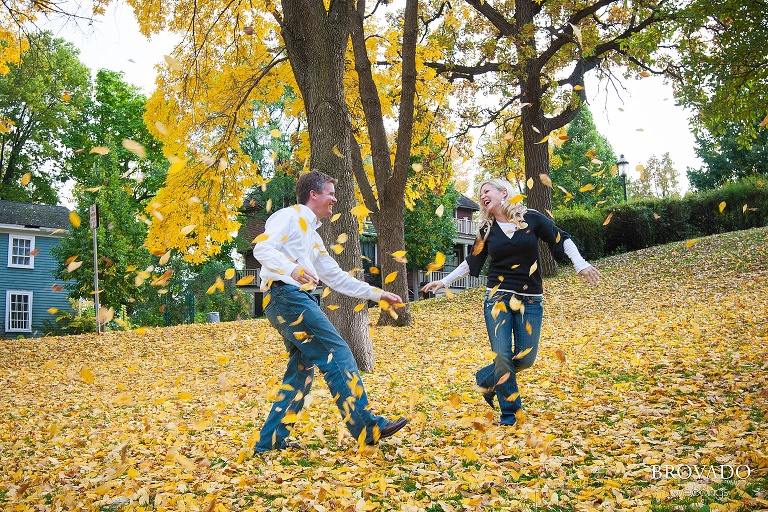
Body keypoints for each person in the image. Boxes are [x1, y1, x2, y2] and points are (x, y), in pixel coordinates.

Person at [422, 178, 600, 426]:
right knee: (503, 355)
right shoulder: (486, 229)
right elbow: (471, 262)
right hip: (498, 298)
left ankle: (486, 378)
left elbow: (561, 238)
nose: (482, 195)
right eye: (480, 193)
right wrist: (445, 282)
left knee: (526, 358)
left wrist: (581, 264)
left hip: (531, 299)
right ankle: (511, 415)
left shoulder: (531, 218)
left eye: (487, 190)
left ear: (503, 192)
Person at [252, 170, 408, 452]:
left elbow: (336, 277)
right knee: (337, 352)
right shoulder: (289, 216)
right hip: (286, 296)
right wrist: (293, 269)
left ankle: (270, 442)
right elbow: (261, 250)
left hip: (291, 300)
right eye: (330, 193)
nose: (334, 199)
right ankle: (365, 426)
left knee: (302, 369)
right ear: (314, 194)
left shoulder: (312, 235)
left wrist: (377, 294)